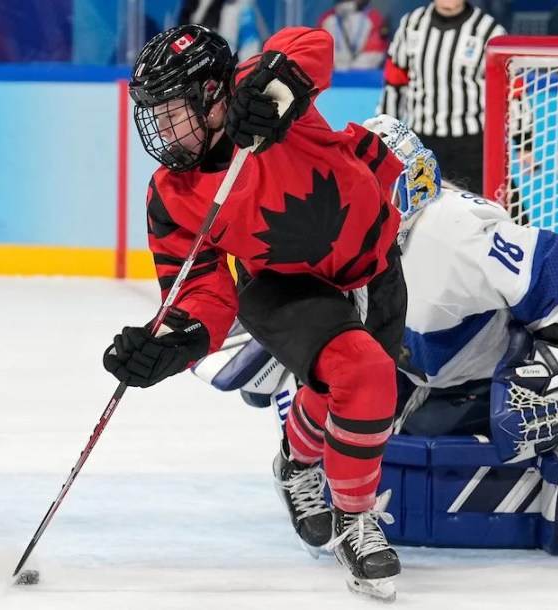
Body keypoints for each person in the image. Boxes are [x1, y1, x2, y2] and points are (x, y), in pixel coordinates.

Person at [193, 115, 558, 557]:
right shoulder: (333, 234)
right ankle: (297, 466)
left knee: (475, 426)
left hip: (471, 375)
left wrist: (548, 368)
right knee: (325, 380)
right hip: (404, 359)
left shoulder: (452, 234)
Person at [103, 24, 407, 601]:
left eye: (174, 112)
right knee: (364, 373)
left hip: (377, 264)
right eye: (156, 116)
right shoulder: (171, 193)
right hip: (283, 288)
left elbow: (310, 44)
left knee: (350, 394)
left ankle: (294, 467)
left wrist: (275, 86)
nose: (163, 130)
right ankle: (354, 518)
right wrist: (176, 341)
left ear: (214, 95)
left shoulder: (260, 92)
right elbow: (198, 289)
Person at [378, 0, 506, 194]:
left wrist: (525, 142)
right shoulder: (411, 25)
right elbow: (395, 83)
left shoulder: (488, 30)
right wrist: (385, 132)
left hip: (472, 147)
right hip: (422, 145)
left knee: (494, 212)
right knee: (421, 216)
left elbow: (510, 92)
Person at [316, 1, 387, 70]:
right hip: (354, 77)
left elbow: (375, 51)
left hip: (349, 76)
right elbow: (320, 50)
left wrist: (341, 70)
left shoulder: (373, 17)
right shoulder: (326, 18)